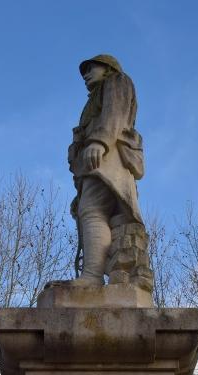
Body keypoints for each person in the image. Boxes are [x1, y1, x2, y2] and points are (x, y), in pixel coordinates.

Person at [67, 54, 145, 286]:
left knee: (92, 209)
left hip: (108, 156)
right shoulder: (96, 95)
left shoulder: (117, 81)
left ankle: (92, 276)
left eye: (92, 68)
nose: (86, 74)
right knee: (101, 213)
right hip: (101, 157)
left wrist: (98, 142)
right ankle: (106, 274)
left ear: (108, 68)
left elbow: (115, 113)